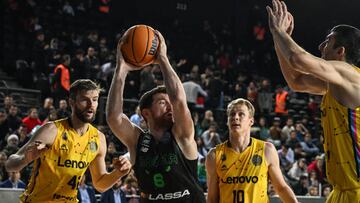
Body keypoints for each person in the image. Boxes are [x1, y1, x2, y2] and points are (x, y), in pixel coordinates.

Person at [267, 0, 360, 202]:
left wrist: (279, 31)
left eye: (327, 41)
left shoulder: (351, 74)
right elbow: (296, 81)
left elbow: (298, 59)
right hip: (340, 191)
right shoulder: (334, 83)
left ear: (341, 51)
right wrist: (278, 37)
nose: (320, 46)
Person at [106, 31, 206, 202]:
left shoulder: (182, 134)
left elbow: (179, 101)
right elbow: (113, 117)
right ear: (146, 113)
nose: (170, 106)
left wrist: (163, 60)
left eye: (169, 102)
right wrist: (121, 69)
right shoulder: (137, 140)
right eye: (162, 102)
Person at [5, 79, 132, 202]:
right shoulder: (52, 130)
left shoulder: (98, 138)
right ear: (71, 102)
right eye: (84, 100)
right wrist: (24, 159)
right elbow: (10, 164)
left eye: (94, 100)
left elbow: (99, 184)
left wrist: (118, 174)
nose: (91, 105)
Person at [205, 98, 298, 203]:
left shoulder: (266, 150)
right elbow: (212, 198)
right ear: (227, 121)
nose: (235, 117)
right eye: (232, 114)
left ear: (251, 121)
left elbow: (281, 188)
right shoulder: (214, 155)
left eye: (241, 114)